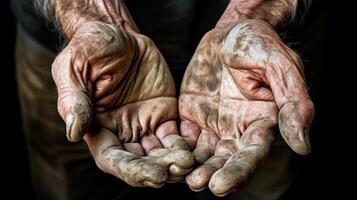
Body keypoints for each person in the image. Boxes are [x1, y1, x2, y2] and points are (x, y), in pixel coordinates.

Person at [10, 0, 325, 199]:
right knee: (69, 185)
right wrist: (94, 15)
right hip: (88, 60)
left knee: (260, 183)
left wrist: (256, 13)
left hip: (254, 71)